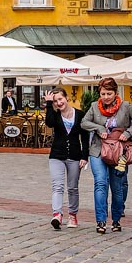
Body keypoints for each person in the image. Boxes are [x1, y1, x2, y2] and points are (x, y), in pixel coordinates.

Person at [81, 77, 132, 234]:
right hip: (98, 150)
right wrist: (97, 127)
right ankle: (100, 221)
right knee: (100, 183)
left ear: (116, 92)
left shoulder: (126, 106)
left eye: (109, 93)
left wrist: (128, 133)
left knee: (117, 186)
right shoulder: (94, 106)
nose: (106, 97)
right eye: (103, 93)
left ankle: (116, 219)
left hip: (119, 152)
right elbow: (84, 122)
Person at [43, 87, 89, 229]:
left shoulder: (80, 114)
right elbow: (49, 123)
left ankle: (73, 216)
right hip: (57, 155)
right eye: (56, 101)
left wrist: (84, 156)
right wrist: (49, 105)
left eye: (60, 99)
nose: (59, 102)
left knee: (73, 188)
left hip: (75, 155)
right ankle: (57, 214)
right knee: (57, 186)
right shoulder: (55, 115)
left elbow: (85, 136)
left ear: (66, 98)